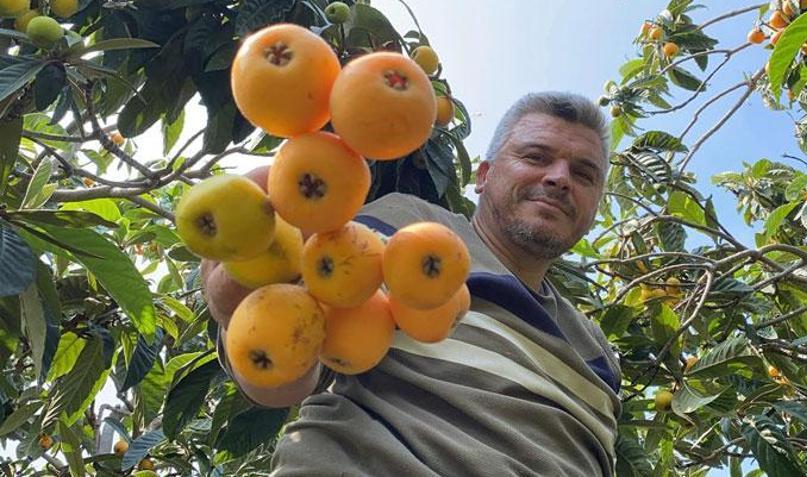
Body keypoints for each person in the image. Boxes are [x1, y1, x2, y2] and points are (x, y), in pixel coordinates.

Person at [202, 91, 621, 476]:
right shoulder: (411, 226)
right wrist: (243, 299)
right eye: (535, 156)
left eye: (584, 175)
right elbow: (286, 374)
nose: (560, 178)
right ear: (484, 176)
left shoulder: (597, 347)